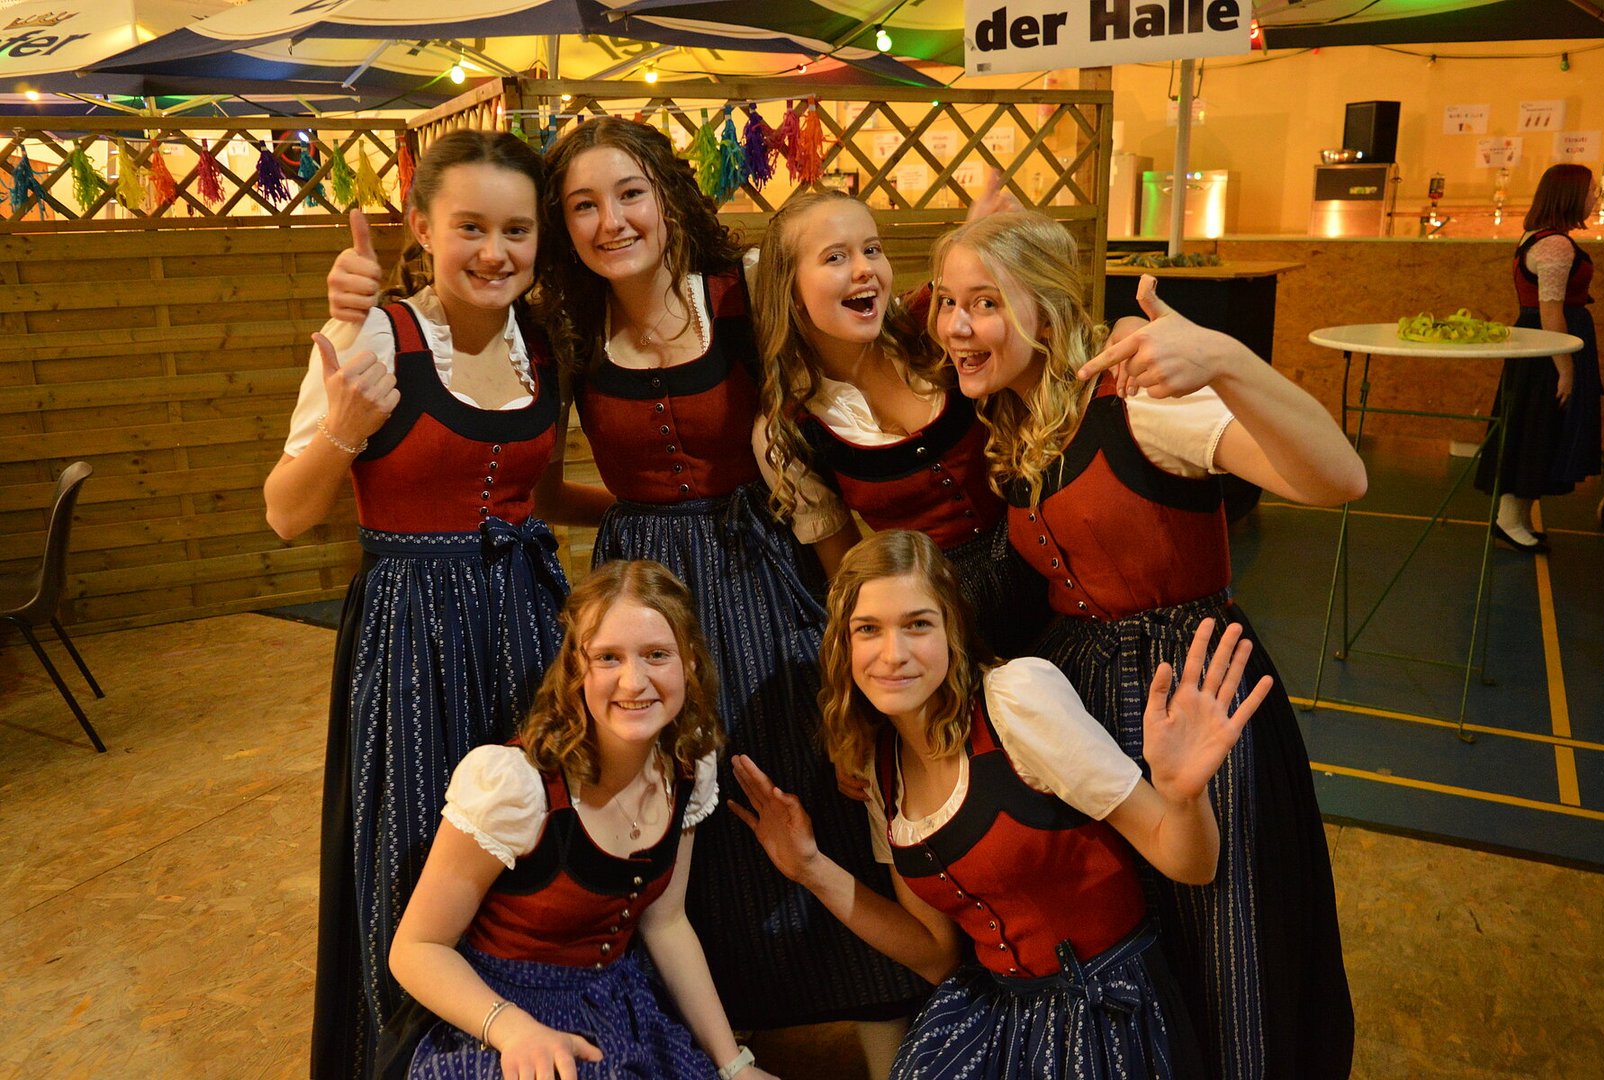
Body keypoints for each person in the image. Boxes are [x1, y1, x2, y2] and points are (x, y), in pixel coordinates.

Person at [330, 118, 925, 1073]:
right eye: (582, 206)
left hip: (759, 568)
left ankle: (881, 1024)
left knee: (802, 777)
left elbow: (860, 343)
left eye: (630, 193)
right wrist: (642, 515)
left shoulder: (738, 296)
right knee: (678, 805)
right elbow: (530, 474)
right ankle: (723, 1036)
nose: (611, 221)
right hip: (648, 581)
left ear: (667, 197)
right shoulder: (560, 332)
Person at [929, 211, 1365, 1080]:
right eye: (945, 301)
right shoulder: (1018, 418)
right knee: (1142, 943)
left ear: (1047, 309)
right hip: (1091, 702)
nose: (954, 326)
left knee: (1227, 943)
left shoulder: (1144, 403)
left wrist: (1227, 359)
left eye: (983, 303)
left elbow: (1339, 478)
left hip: (1194, 696)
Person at [267, 130, 600, 1080]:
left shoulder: (543, 346)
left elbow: (541, 494)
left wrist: (660, 505)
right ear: (421, 227)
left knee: (531, 835)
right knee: (417, 848)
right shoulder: (370, 335)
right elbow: (285, 514)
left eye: (516, 230)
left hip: (530, 620)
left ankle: (529, 1041)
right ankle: (418, 1058)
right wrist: (343, 431)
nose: (495, 252)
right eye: (469, 228)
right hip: (412, 634)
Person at [731, 529, 1273, 1078]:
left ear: (952, 630)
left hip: (1104, 1009)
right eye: (868, 629)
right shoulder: (880, 765)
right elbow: (936, 953)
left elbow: (1191, 863)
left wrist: (1183, 796)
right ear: (843, 646)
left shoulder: (1014, 700)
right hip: (997, 1010)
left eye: (918, 624)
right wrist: (809, 867)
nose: (893, 654)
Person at [386, 559, 775, 1080]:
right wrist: (512, 1029)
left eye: (657, 655)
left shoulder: (686, 766)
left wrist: (734, 1065)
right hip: (499, 1015)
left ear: (689, 662)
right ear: (576, 668)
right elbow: (416, 949)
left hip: (618, 1003)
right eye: (608, 657)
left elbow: (666, 922)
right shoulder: (516, 785)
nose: (634, 682)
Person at [752, 188, 1047, 656]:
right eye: (835, 257)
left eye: (872, 249)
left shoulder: (934, 323)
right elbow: (849, 572)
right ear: (790, 290)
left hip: (1046, 564)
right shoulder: (787, 430)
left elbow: (1046, 350)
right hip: (938, 619)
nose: (864, 268)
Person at [1475, 163, 1604, 552]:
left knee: (1536, 428)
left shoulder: (1540, 237)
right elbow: (1550, 312)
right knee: (1536, 430)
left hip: (1544, 343)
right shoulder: (1555, 245)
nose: (1596, 197)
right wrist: (1565, 368)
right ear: (1570, 196)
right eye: (1592, 190)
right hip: (1549, 346)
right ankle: (1508, 521)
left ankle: (1515, 518)